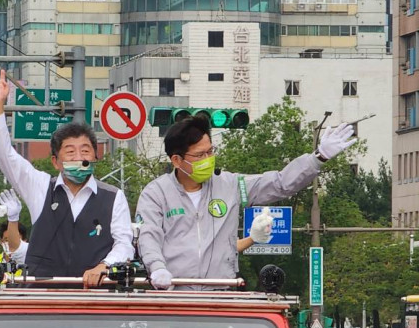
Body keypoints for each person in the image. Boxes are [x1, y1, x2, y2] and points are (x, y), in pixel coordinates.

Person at [136, 114, 355, 283]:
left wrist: (318, 158)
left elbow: (280, 184)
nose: (208, 159)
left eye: (210, 151)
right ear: (176, 160)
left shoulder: (230, 185)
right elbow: (148, 236)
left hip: (221, 292)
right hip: (173, 291)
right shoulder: (156, 194)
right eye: (200, 155)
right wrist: (157, 268)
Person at [0, 68, 133, 286]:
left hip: (95, 297)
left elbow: (124, 244)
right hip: (44, 297)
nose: (79, 157)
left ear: (96, 156)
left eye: (85, 151)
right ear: (55, 161)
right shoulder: (41, 187)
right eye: (70, 152)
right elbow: (4, 153)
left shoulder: (113, 196)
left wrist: (104, 266)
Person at [0, 189, 29, 265]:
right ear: (1, 242)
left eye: (17, 239)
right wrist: (12, 219)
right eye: (6, 240)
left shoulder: (31, 260)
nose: (10, 243)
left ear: (25, 241)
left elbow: (16, 249)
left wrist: (13, 219)